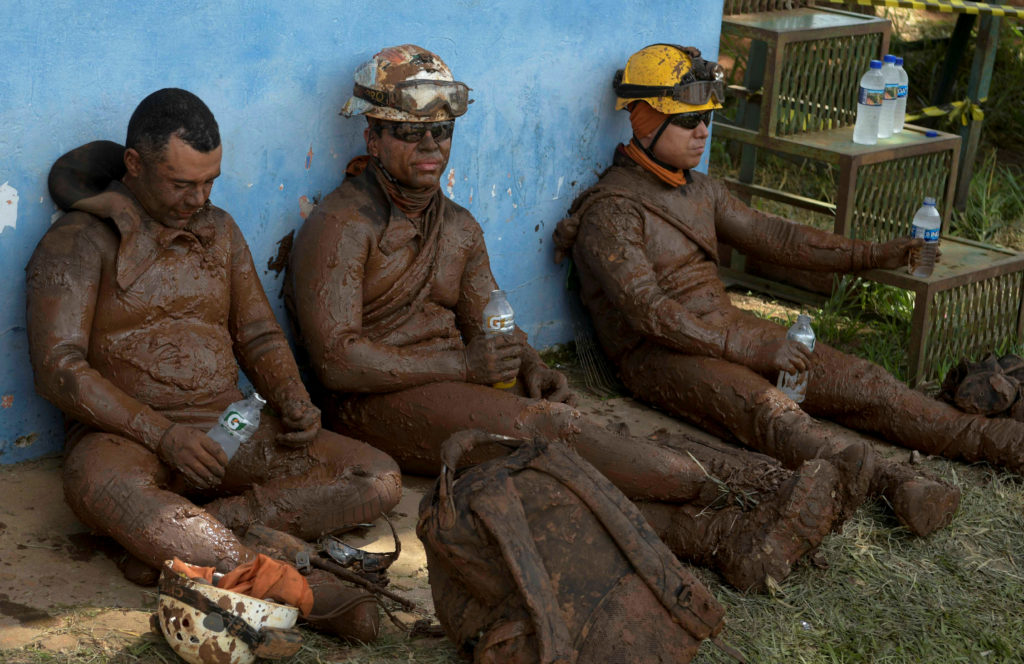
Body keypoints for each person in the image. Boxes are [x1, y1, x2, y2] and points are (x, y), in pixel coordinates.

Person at [288, 44, 847, 592]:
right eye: (411, 132)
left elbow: (493, 318)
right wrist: (463, 361)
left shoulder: (457, 226)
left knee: (553, 461)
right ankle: (757, 486)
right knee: (548, 435)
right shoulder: (343, 225)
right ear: (373, 137)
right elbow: (337, 363)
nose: (432, 145)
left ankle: (721, 533)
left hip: (451, 379)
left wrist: (530, 363)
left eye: (443, 131)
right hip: (371, 402)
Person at [552, 43, 1016, 538]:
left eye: (706, 118)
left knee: (865, 382)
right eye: (689, 122)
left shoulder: (700, 190)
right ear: (643, 119)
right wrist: (749, 348)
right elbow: (650, 313)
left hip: (729, 331)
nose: (703, 132)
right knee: (770, 412)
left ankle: (997, 440)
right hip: (658, 355)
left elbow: (779, 239)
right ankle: (894, 482)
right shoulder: (612, 211)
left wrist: (872, 254)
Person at [27, 89, 401, 641]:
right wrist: (162, 435)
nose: (198, 198)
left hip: (228, 425)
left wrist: (292, 396)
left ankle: (187, 538)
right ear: (134, 164)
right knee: (101, 484)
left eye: (210, 182)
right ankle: (304, 591)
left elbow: (255, 331)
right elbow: (60, 369)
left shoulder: (219, 230)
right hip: (123, 437)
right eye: (182, 184)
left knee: (378, 477)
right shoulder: (77, 242)